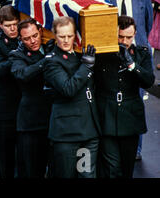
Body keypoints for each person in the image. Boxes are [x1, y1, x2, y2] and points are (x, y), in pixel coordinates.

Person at [94, 16, 155, 177]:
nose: (124, 41)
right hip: (107, 115)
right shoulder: (103, 54)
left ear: (135, 34)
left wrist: (132, 65)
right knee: (112, 168)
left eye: (129, 37)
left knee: (127, 168)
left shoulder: (141, 53)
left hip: (130, 117)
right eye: (120, 36)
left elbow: (148, 81)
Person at [43, 16, 101, 178]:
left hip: (88, 131)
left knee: (86, 176)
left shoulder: (78, 54)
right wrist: (86, 66)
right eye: (62, 36)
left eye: (70, 36)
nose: (66, 40)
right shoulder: (52, 61)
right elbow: (68, 88)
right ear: (54, 35)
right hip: (66, 133)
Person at [9, 18, 53, 178]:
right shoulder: (17, 55)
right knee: (32, 171)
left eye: (35, 35)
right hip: (31, 123)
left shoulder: (50, 47)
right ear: (20, 39)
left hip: (53, 118)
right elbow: (22, 74)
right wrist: (45, 60)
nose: (33, 41)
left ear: (40, 31)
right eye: (27, 38)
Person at [0, 5, 21, 178]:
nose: (13, 29)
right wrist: (16, 56)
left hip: (23, 108)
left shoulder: (25, 39)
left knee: (23, 159)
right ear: (0, 25)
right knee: (6, 160)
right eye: (9, 25)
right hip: (4, 110)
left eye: (15, 24)